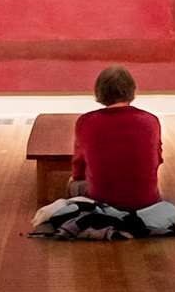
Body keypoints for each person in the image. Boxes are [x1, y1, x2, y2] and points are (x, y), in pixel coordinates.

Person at [68, 65, 162, 211]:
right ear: (132, 89)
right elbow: (157, 159)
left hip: (99, 198)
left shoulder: (86, 122)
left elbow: (78, 167)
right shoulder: (151, 121)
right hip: (146, 201)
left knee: (72, 185)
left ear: (99, 91)